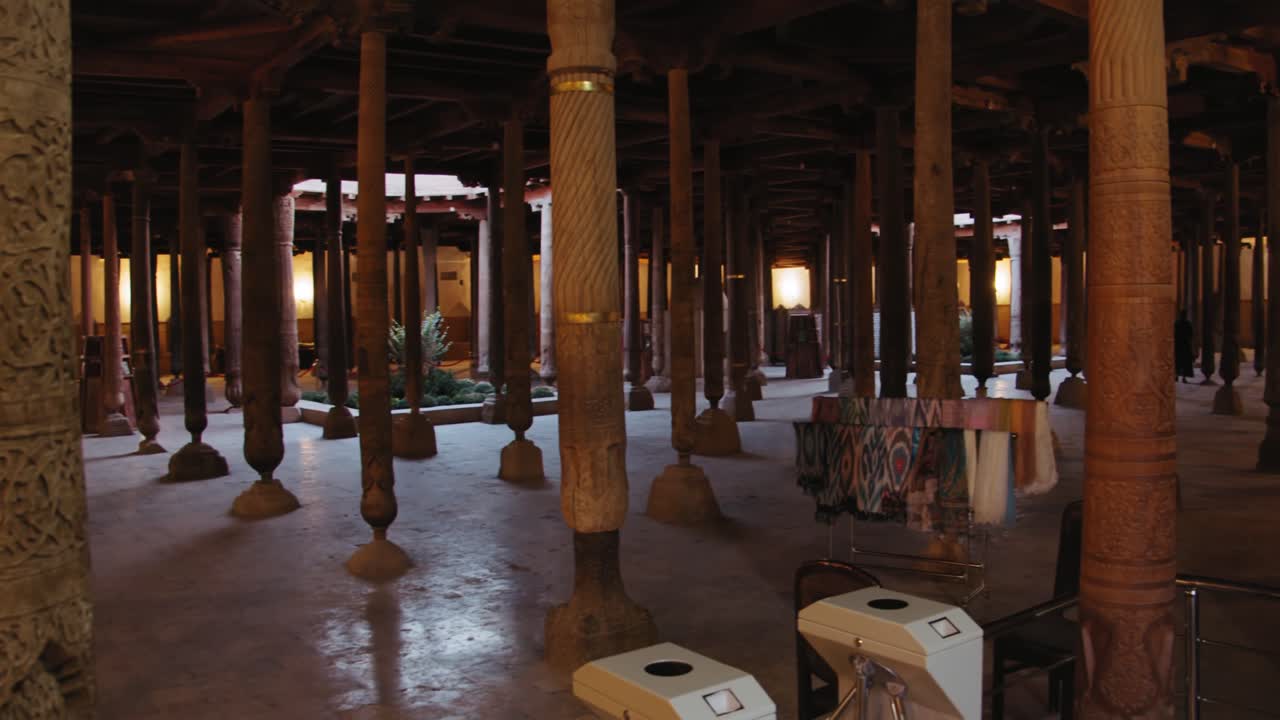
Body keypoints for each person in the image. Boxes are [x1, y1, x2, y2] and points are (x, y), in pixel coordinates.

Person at [1175, 310, 1195, 382]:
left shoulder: (1177, 323)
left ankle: (1176, 376)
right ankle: (1183, 377)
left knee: (1178, 361)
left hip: (1178, 345)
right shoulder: (1188, 324)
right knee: (1184, 362)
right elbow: (1191, 335)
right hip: (1185, 345)